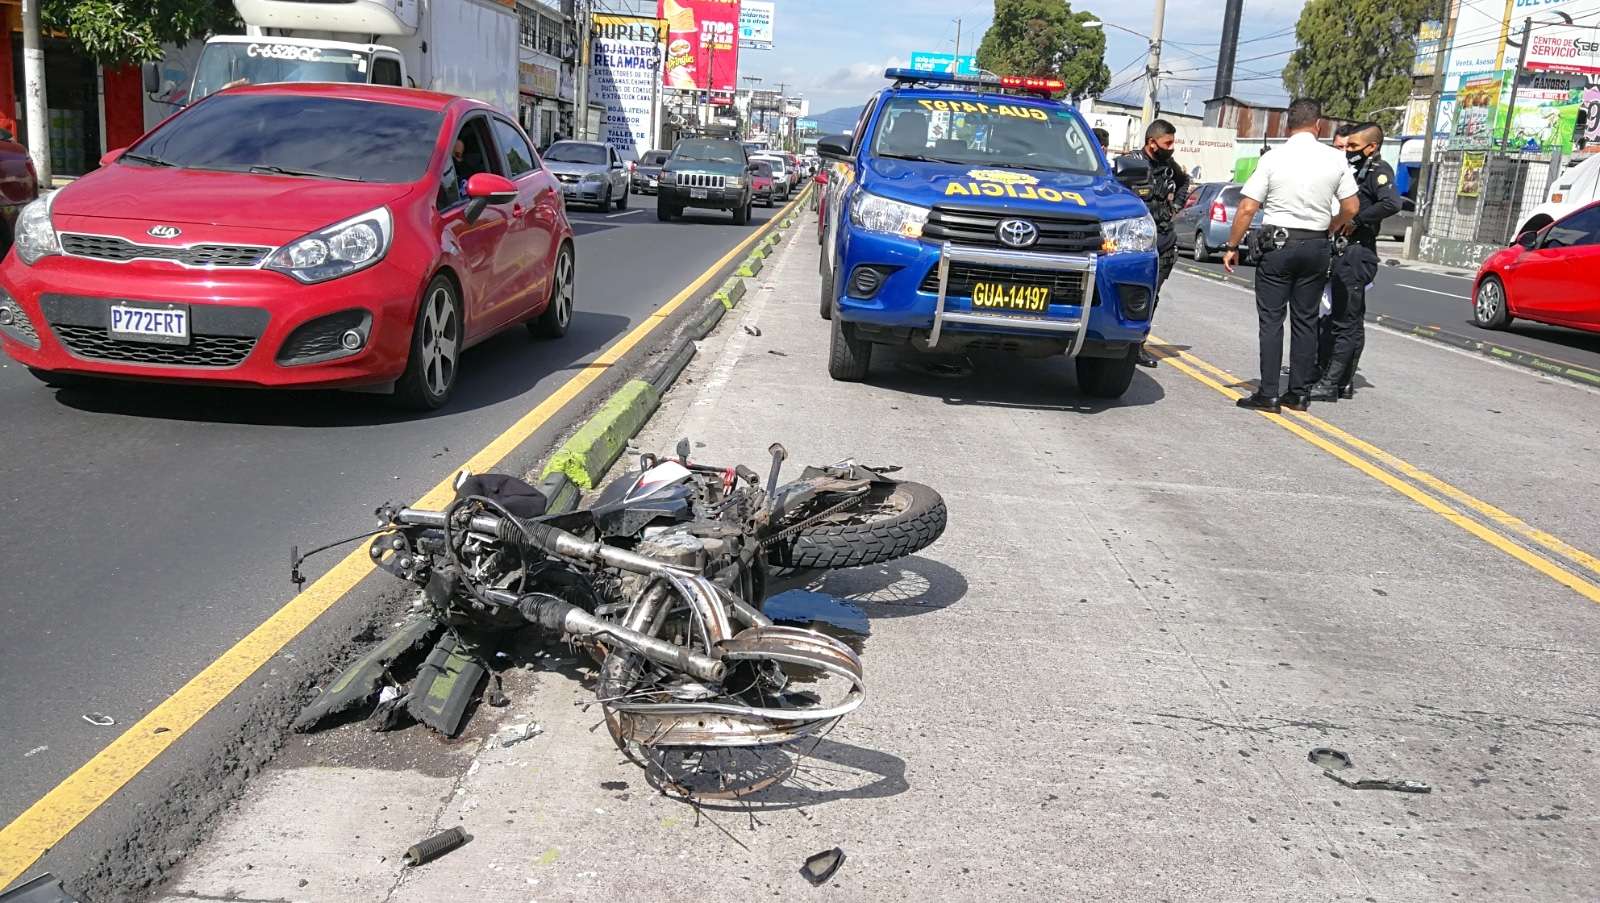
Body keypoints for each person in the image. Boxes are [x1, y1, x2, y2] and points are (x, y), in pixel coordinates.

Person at [1221, 98, 1358, 412]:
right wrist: (1332, 226)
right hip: (1317, 245)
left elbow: (1247, 207)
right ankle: (1298, 393)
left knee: (1271, 320)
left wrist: (1232, 246)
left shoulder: (1273, 158)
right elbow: (1351, 207)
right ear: (1318, 125)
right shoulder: (1335, 159)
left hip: (1278, 247)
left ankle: (1268, 393)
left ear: (1287, 124)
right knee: (1306, 320)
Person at [1310, 121, 1399, 402]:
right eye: (1346, 146)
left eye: (1353, 146)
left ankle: (1330, 382)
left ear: (1372, 147)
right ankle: (1342, 380)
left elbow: (1391, 203)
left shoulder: (1378, 170)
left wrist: (1356, 219)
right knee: (1347, 319)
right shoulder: (1357, 170)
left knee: (1344, 322)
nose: (1348, 151)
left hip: (1357, 252)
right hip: (1344, 251)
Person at [1119, 119, 1190, 368]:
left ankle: (1138, 345)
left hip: (1163, 238)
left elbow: (1184, 183)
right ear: (1152, 142)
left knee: (1153, 295)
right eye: (1167, 143)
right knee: (1133, 295)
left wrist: (1177, 206)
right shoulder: (1131, 163)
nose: (1171, 147)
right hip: (1137, 239)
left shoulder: (1170, 166)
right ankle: (1123, 343)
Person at [1318, 123, 1360, 377]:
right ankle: (1316, 367)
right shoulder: (1326, 170)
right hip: (1323, 249)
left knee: (1346, 319)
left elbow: (1386, 203)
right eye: (1338, 147)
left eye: (1348, 147)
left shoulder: (1359, 173)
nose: (1343, 152)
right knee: (1318, 316)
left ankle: (1339, 379)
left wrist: (1351, 221)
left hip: (1349, 252)